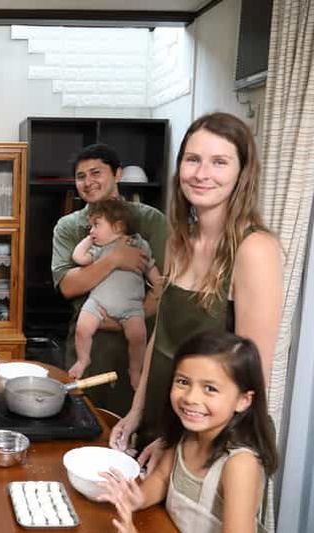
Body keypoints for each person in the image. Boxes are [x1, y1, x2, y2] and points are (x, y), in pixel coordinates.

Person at [109, 113, 283, 473]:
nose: (202, 174)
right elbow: (163, 334)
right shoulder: (179, 241)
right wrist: (137, 410)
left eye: (219, 162)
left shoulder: (255, 249)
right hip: (163, 421)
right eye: (193, 160)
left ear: (242, 173)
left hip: (211, 442)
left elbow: (251, 377)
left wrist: (178, 447)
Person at [100, 331, 278, 533]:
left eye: (210, 388)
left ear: (243, 400)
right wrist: (137, 498)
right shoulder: (186, 435)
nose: (191, 398)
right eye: (183, 382)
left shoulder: (240, 464)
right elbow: (162, 479)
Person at [52, 144, 167, 415]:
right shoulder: (70, 227)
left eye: (96, 172)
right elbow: (68, 286)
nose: (88, 182)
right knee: (85, 423)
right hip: (90, 340)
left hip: (138, 340)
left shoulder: (150, 221)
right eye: (81, 176)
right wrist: (114, 258)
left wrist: (126, 319)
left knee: (134, 426)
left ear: (118, 174)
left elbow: (164, 286)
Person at [69, 198, 162, 390]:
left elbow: (150, 267)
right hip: (98, 303)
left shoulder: (138, 244)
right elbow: (78, 257)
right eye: (90, 226)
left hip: (131, 306)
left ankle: (135, 370)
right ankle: (83, 359)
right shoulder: (99, 248)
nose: (91, 230)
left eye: (96, 225)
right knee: (82, 329)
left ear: (118, 227)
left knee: (138, 337)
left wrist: (158, 284)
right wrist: (88, 240)